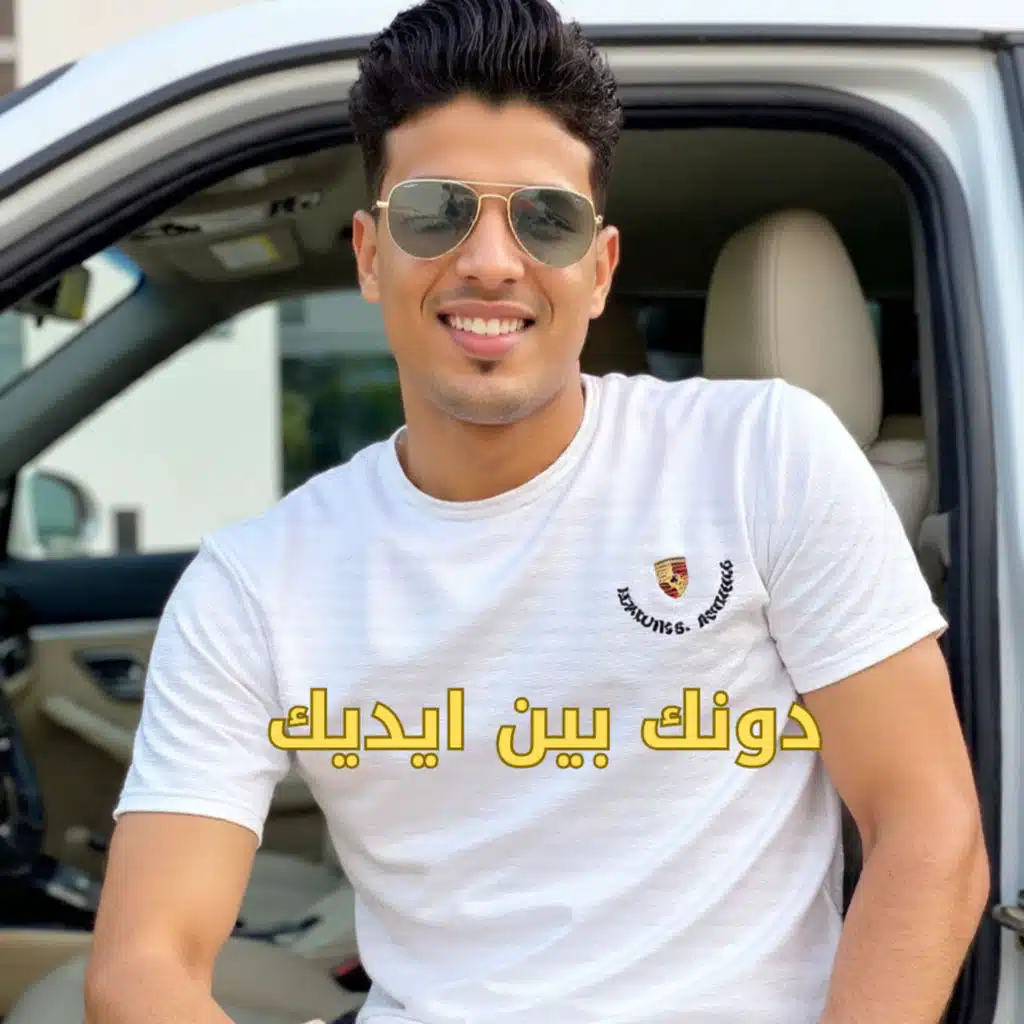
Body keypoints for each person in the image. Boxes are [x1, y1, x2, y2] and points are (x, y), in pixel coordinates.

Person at [84, 1, 989, 1022]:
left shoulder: (761, 458)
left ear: (597, 270)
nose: (490, 260)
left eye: (544, 218)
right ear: (370, 254)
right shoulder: (256, 581)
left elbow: (927, 828)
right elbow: (144, 964)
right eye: (435, 212)